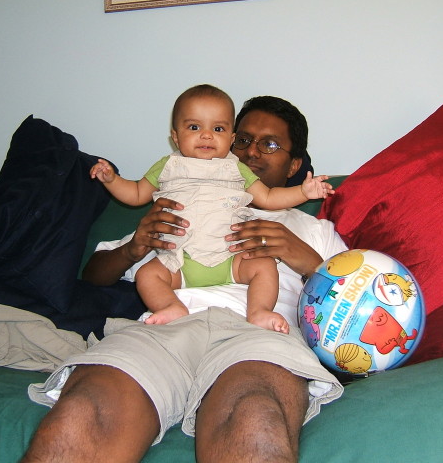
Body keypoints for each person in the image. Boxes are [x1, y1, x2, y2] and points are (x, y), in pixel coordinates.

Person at [21, 95, 346, 463]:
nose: (251, 151)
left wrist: (305, 259)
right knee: (80, 416)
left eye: (269, 144)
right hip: (166, 328)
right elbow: (93, 276)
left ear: (294, 164)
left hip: (256, 338)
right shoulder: (178, 204)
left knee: (254, 420)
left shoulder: (314, 230)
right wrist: (135, 247)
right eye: (243, 139)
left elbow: (354, 305)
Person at [89, 85, 332, 333]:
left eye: (269, 144)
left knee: (265, 266)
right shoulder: (167, 183)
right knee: (147, 274)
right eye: (194, 127)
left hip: (238, 283)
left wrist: (303, 194)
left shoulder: (239, 172)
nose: (251, 151)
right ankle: (171, 307)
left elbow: (268, 198)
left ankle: (259, 311)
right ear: (176, 137)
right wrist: (113, 183)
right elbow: (135, 195)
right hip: (177, 280)